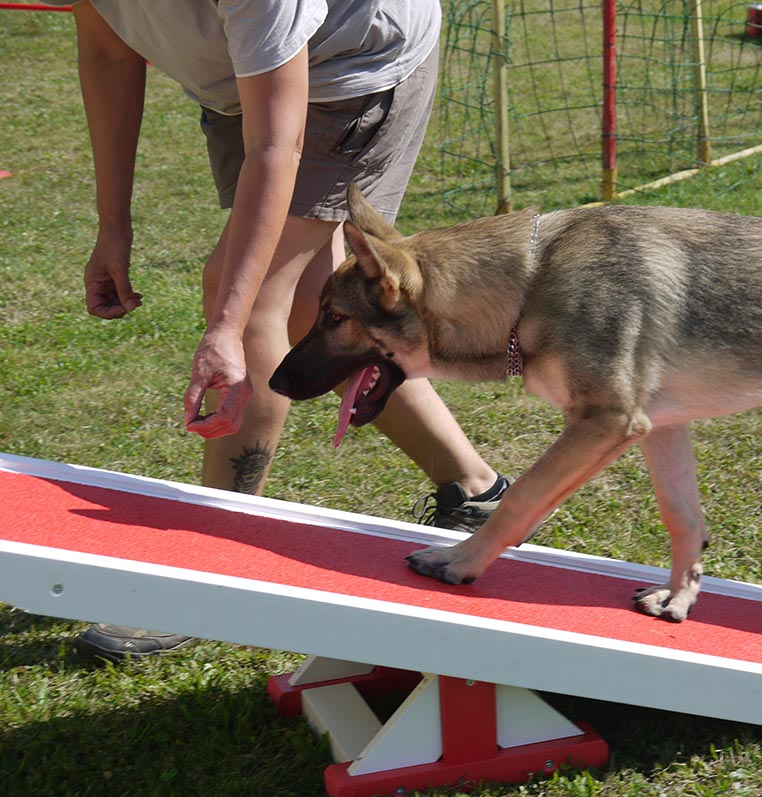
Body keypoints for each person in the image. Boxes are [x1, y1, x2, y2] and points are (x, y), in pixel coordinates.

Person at [62, 0, 510, 661]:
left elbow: (279, 147)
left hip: (354, 67)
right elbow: (109, 53)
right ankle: (477, 491)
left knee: (248, 297)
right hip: (248, 81)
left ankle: (212, 571)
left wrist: (226, 321)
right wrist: (113, 225)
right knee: (312, 308)